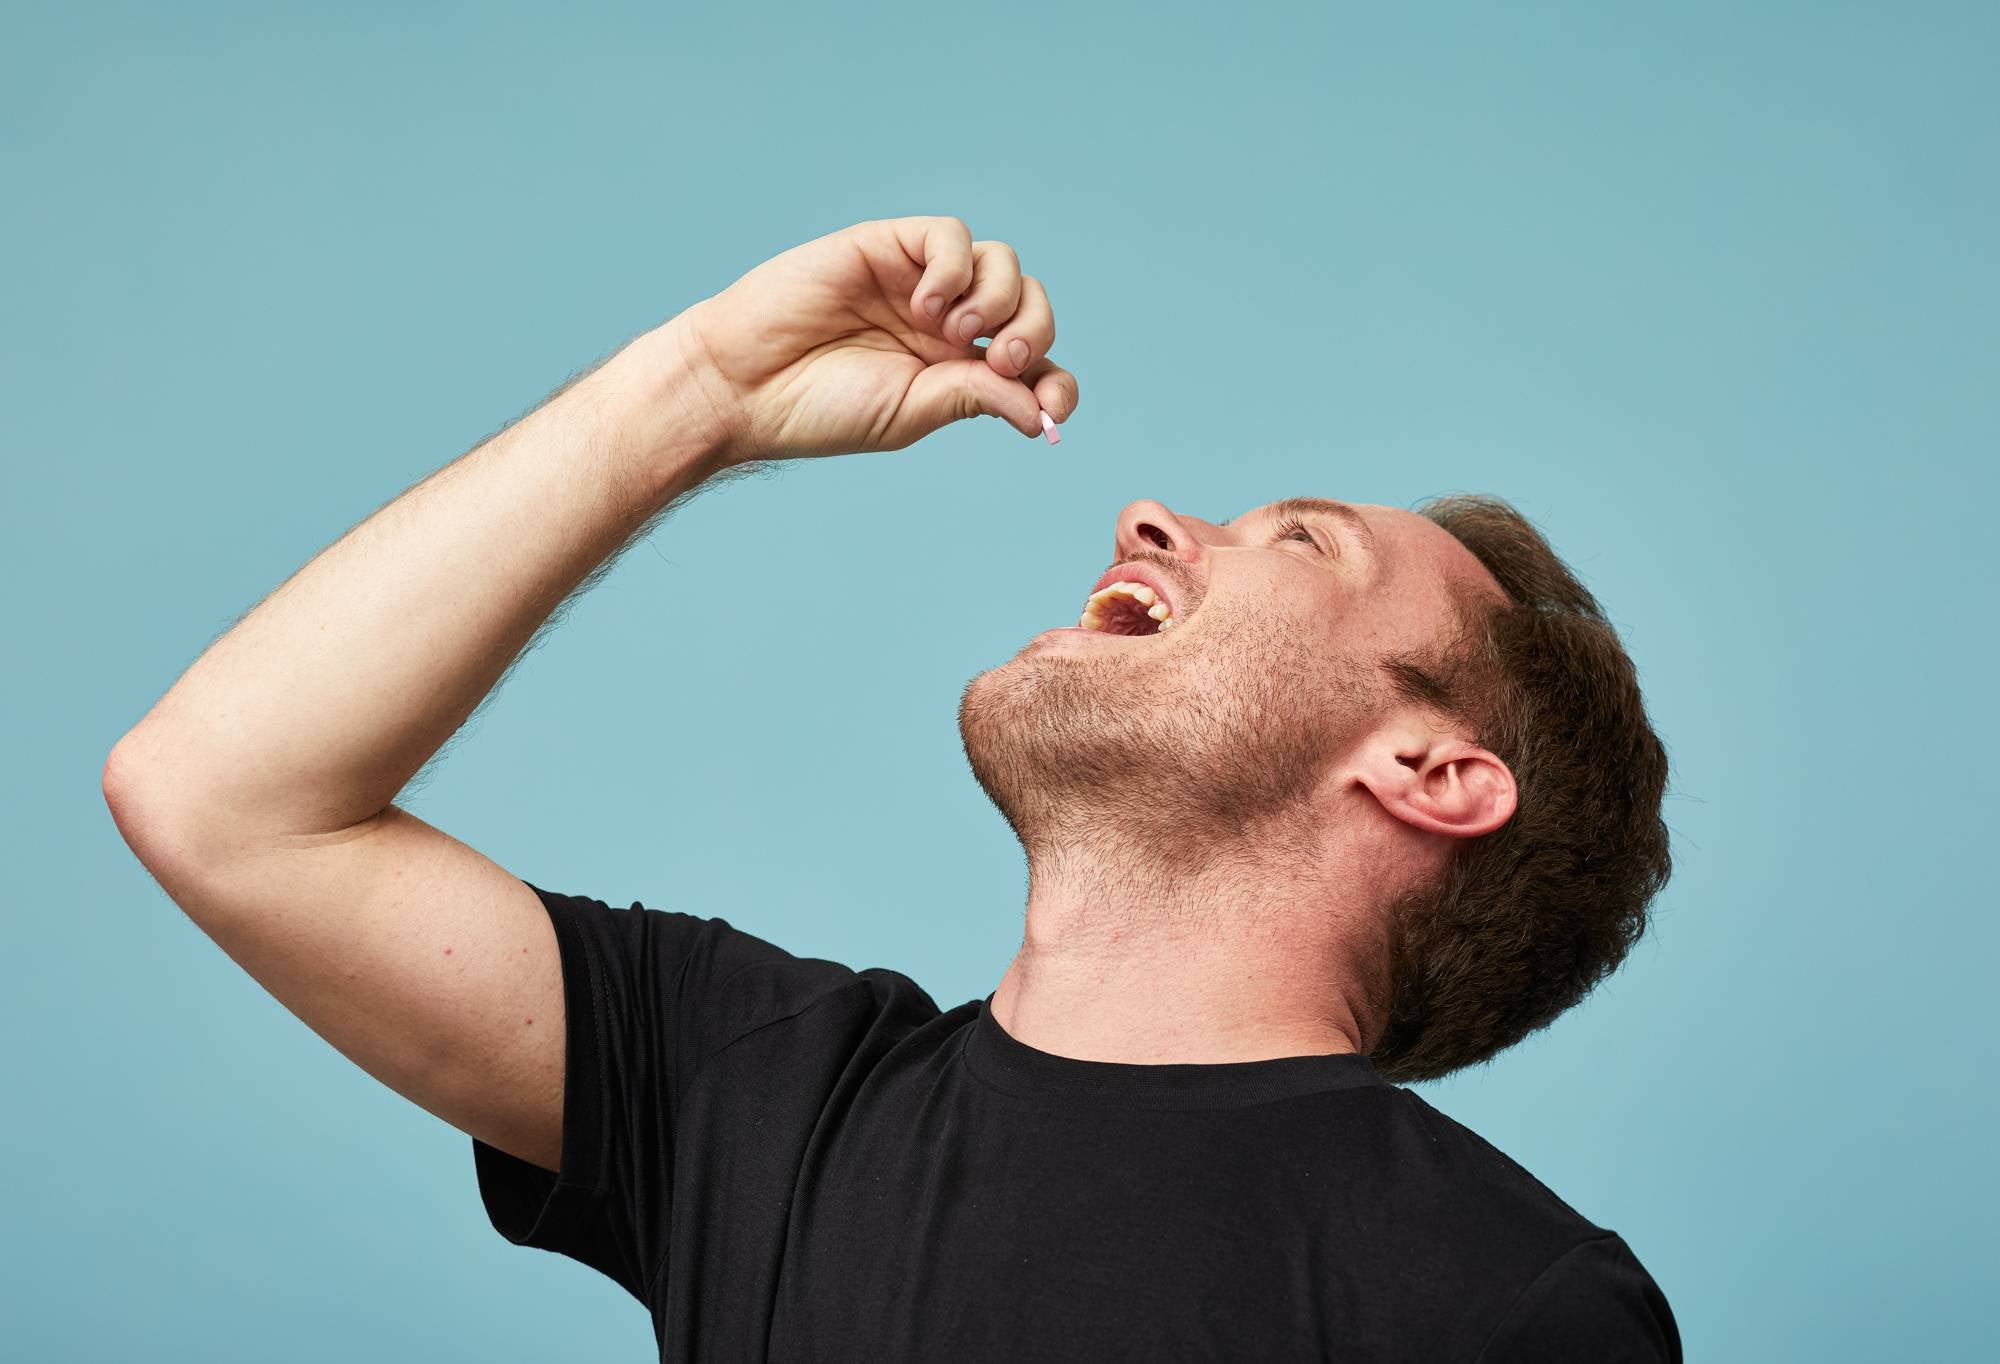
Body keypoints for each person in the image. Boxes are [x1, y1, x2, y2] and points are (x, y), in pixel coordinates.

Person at [104, 215, 1681, 1361]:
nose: (1150, 518)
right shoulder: (757, 1087)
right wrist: (700, 392)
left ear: (1432, 773)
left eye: (1300, 542)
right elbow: (224, 799)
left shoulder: (1503, 1299)